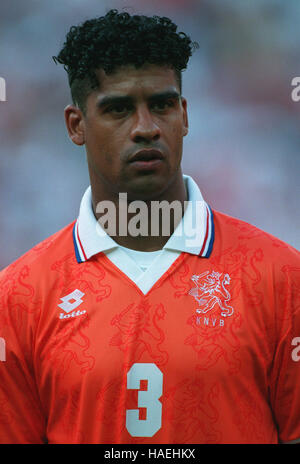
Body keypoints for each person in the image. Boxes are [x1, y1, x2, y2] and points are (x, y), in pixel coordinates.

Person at [0, 9, 299, 445]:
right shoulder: (20, 296)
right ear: (76, 125)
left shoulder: (279, 276)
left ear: (185, 114)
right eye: (118, 109)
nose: (145, 128)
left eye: (160, 105)